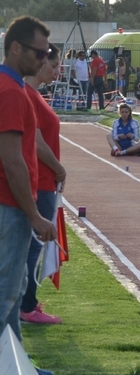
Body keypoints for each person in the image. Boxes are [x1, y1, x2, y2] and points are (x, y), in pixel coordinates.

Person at [0, 16, 58, 375]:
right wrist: (34, 214)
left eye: (47, 52)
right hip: (10, 206)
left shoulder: (15, 87)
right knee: (6, 292)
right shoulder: (9, 91)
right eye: (39, 53)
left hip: (11, 205)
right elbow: (12, 160)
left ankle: (17, 367)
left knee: (14, 289)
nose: (44, 59)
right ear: (16, 48)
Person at [21, 44, 66, 326]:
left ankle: (25, 302)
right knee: (34, 247)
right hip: (42, 180)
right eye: (54, 65)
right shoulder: (28, 95)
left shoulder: (34, 94)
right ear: (40, 63)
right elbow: (36, 143)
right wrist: (59, 169)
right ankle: (26, 306)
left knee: (31, 246)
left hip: (44, 180)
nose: (57, 71)